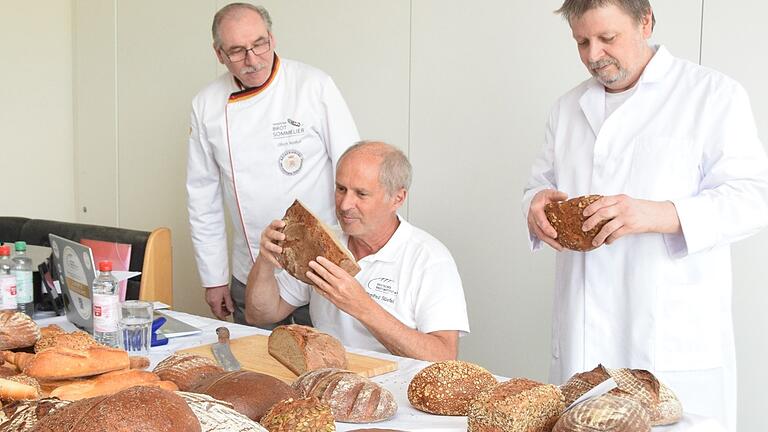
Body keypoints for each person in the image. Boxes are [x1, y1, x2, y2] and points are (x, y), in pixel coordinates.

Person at [522, 1, 768, 429]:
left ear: (646, 22)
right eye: (582, 41)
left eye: (607, 38)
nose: (593, 54)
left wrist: (660, 214)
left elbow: (754, 197)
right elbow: (539, 185)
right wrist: (535, 207)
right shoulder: (567, 108)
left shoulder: (711, 95)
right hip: (583, 339)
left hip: (671, 345)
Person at [186, 3, 359, 326]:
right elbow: (202, 198)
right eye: (237, 51)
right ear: (219, 54)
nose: (252, 60)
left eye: (259, 44)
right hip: (251, 267)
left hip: (319, 265)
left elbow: (352, 169)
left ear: (272, 38)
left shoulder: (313, 85)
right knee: (255, 368)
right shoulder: (206, 104)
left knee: (323, 368)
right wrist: (214, 278)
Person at [245, 141, 470, 361]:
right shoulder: (321, 243)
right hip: (327, 379)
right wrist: (265, 262)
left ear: (397, 198)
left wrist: (362, 307)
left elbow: (444, 357)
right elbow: (260, 314)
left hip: (396, 389)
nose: (344, 205)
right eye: (341, 189)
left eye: (361, 194)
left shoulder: (429, 259)